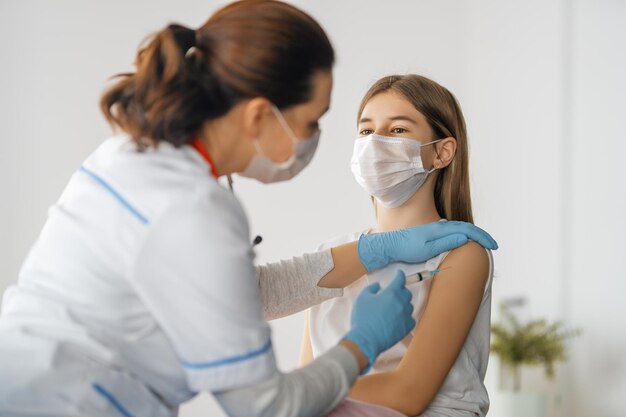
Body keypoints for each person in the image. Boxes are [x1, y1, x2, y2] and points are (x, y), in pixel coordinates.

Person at [0, 2, 497, 417]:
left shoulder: (133, 157)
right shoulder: (193, 209)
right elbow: (269, 404)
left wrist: (371, 252)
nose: (313, 141)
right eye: (311, 122)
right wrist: (362, 343)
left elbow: (240, 292)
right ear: (261, 114)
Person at [300, 75, 493, 417]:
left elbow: (409, 393)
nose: (376, 142)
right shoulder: (330, 255)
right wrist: (299, 393)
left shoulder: (462, 254)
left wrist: (305, 391)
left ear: (442, 152)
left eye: (398, 130)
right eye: (366, 130)